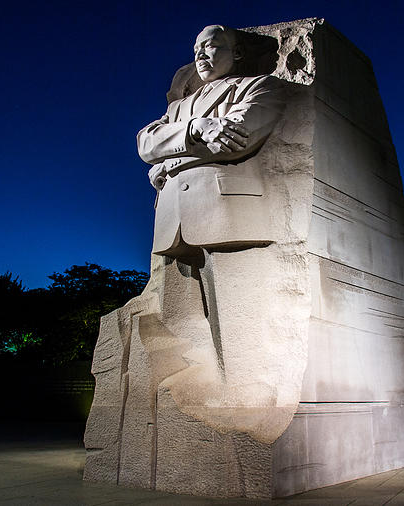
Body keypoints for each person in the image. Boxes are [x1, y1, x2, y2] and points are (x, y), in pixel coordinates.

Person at [135, 24, 289, 415]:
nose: (202, 54)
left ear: (236, 53)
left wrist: (170, 161)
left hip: (226, 211)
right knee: (178, 322)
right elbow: (145, 143)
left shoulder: (261, 88)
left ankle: (248, 402)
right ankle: (190, 402)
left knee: (238, 319)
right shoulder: (177, 109)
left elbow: (235, 138)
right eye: (197, 48)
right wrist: (194, 129)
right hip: (173, 220)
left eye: (213, 46)